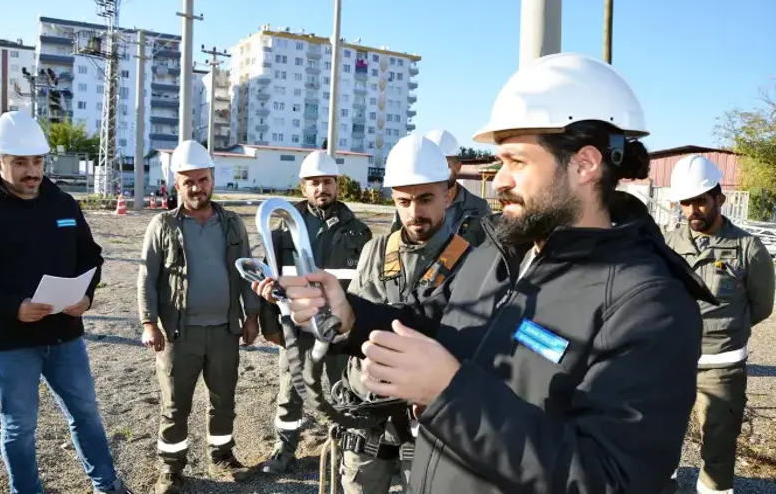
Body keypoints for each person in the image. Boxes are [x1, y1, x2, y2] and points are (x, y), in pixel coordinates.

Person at [272, 53, 717, 493]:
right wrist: (352, 317)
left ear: (584, 164)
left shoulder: (648, 303)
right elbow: (454, 338)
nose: (499, 180)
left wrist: (449, 393)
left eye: (516, 162)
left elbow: (610, 479)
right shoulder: (500, 252)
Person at [0, 111, 132, 494]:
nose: (31, 171)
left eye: (36, 161)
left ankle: (107, 484)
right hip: (7, 341)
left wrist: (86, 296)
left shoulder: (64, 204)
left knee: (85, 412)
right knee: (20, 425)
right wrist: (12, 306)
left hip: (64, 334)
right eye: (20, 162)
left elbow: (91, 257)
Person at [341, 134, 473, 494]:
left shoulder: (471, 259)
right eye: (404, 201)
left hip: (429, 421)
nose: (415, 213)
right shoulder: (375, 251)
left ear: (448, 194)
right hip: (370, 416)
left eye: (426, 199)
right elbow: (351, 325)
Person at [137, 140, 261, 494]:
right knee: (176, 405)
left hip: (225, 331)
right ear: (177, 184)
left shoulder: (232, 223)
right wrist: (149, 323)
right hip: (180, 334)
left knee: (224, 399)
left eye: (202, 179)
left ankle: (221, 455)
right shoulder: (163, 225)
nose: (196, 187)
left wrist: (251, 316)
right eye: (188, 181)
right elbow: (148, 276)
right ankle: (171, 469)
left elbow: (247, 272)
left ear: (212, 179)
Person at [664, 154, 775, 494]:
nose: (692, 210)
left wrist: (722, 331)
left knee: (718, 451)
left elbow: (761, 307)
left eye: (700, 201)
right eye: (685, 202)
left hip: (721, 368)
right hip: (670, 365)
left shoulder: (747, 248)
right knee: (661, 440)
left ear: (719, 199)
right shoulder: (668, 243)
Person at [258, 150, 373, 475]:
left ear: (337, 185)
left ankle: (345, 451)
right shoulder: (284, 230)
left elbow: (364, 286)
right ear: (304, 187)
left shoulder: (358, 231)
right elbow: (273, 280)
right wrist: (273, 326)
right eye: (314, 183)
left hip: (339, 328)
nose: (321, 188)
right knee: (290, 391)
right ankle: (284, 449)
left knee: (345, 390)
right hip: (298, 326)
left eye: (327, 182)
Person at [389, 129, 491, 246]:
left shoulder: (479, 208)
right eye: (431, 167)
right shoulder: (408, 205)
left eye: (444, 167)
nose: (437, 174)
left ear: (458, 167)